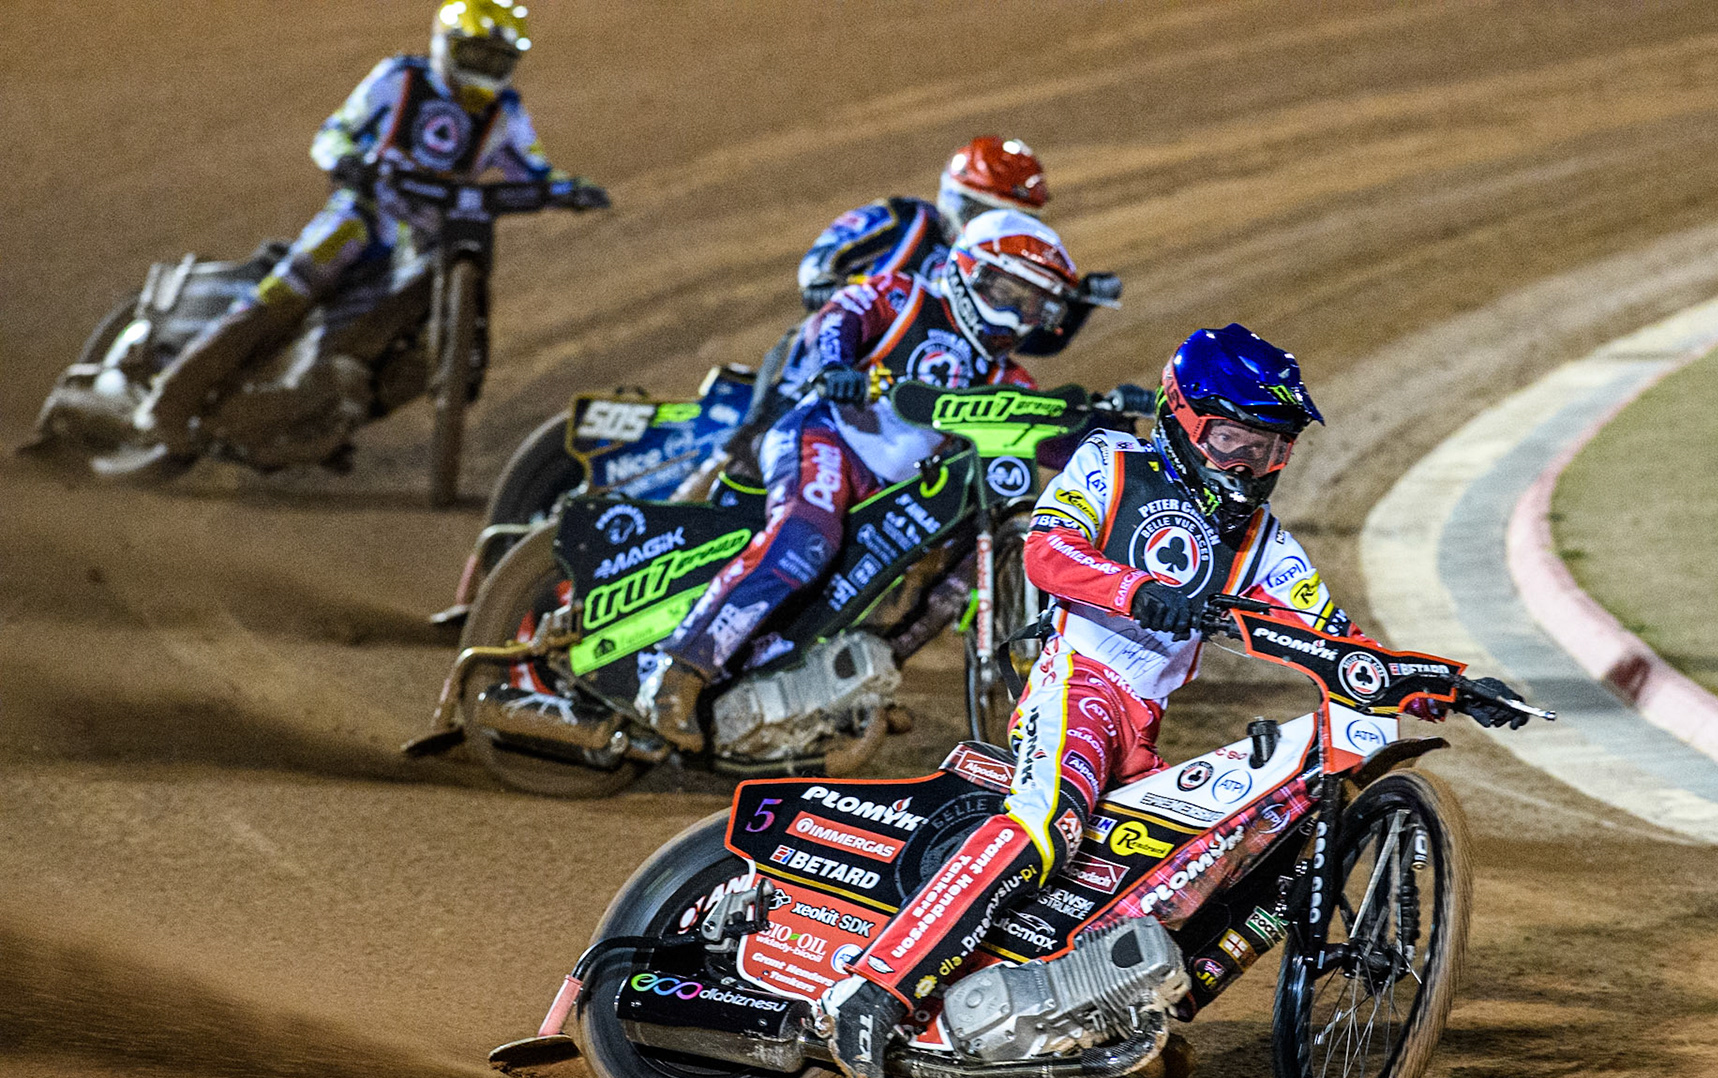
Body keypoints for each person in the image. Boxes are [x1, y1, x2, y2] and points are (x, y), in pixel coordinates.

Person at [821, 324, 1519, 1078]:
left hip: (1143, 720)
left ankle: (1103, 1010)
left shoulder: (1264, 544)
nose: (1250, 465)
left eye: (1269, 448)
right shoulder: (1113, 462)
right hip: (1076, 683)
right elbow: (1047, 550)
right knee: (1048, 823)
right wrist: (1137, 591)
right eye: (1230, 440)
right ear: (1182, 418)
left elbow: (1336, 641)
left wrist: (1445, 684)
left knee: (1184, 880)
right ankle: (875, 990)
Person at [639, 210, 1085, 750]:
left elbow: (1051, 437)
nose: (1019, 316)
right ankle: (677, 673)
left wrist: (1109, 433)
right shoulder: (904, 297)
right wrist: (835, 365)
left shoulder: (1008, 378)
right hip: (825, 436)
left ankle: (858, 681)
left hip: (890, 495)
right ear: (973, 273)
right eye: (1011, 294)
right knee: (805, 539)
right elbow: (839, 315)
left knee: (962, 566)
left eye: (1035, 305)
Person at [133, 0, 606, 451]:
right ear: (447, 44)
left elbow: (538, 171)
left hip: (426, 239)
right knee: (301, 278)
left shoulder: (505, 114)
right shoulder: (399, 79)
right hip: (367, 211)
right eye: (475, 53)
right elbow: (334, 132)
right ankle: (171, 397)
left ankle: (328, 410)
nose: (484, 68)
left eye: (497, 58)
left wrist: (573, 189)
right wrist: (346, 162)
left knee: (423, 330)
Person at [735, 137, 1122, 447]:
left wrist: (1077, 301)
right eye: (984, 211)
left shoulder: (996, 264)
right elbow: (828, 253)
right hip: (848, 355)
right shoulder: (904, 219)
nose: (998, 225)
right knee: (769, 415)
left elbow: (1027, 337)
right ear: (957, 198)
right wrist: (822, 282)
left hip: (923, 390)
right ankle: (747, 437)